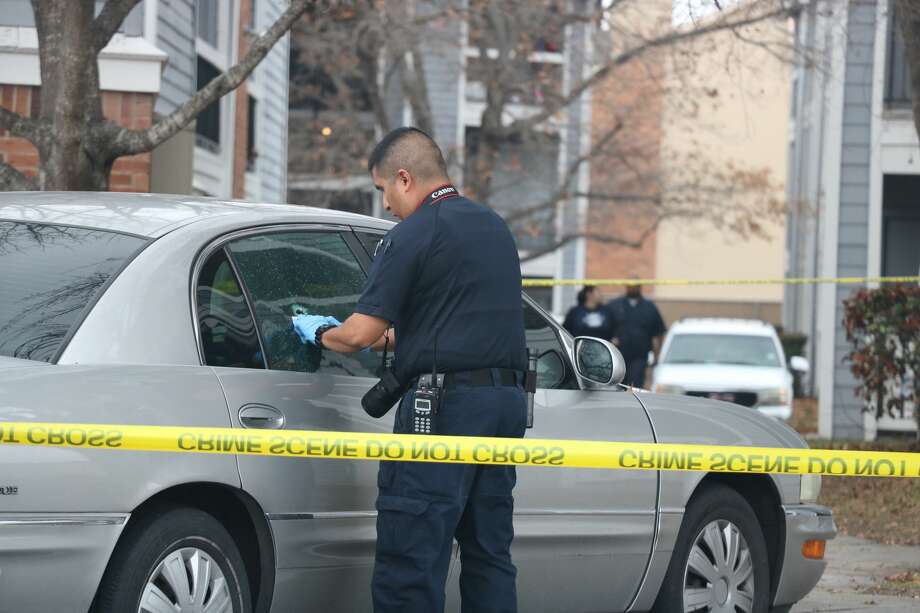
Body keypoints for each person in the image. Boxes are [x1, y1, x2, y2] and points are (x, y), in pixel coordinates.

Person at [291, 127, 527, 613]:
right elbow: (449, 327)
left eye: (383, 192)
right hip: (504, 408)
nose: (386, 207)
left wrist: (318, 332)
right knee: (489, 552)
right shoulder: (493, 228)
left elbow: (357, 335)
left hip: (441, 411)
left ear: (404, 178)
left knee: (412, 554)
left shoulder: (415, 233)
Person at [607, 281, 666, 388]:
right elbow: (605, 328)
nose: (632, 288)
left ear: (640, 287)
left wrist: (656, 355)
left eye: (635, 286)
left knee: (635, 387)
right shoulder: (615, 305)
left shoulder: (649, 307)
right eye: (630, 286)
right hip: (618, 356)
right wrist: (611, 340)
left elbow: (659, 332)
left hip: (639, 357)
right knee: (617, 386)